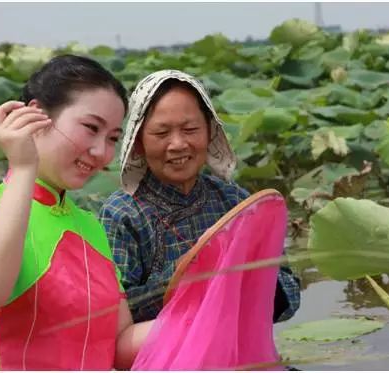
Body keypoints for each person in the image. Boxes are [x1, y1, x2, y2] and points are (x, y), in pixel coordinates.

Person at [0, 55, 152, 371]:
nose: (102, 152)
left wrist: (197, 315)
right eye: (91, 127)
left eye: (113, 139)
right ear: (35, 116)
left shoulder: (89, 224)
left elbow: (117, 344)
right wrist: (23, 167)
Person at [99, 69, 301, 324]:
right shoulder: (122, 213)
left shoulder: (234, 200)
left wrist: (250, 278)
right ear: (138, 142)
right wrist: (187, 277)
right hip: (164, 359)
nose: (178, 144)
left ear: (210, 131)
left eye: (190, 129)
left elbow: (291, 292)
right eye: (161, 134)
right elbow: (114, 312)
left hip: (238, 355)